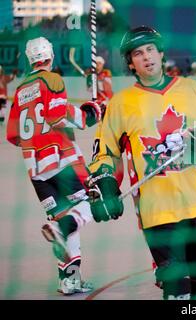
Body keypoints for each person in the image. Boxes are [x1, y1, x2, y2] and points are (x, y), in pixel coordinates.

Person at [88, 26, 196, 300]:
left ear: (161, 53)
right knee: (178, 291)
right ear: (131, 63)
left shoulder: (194, 89)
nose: (147, 57)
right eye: (138, 53)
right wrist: (105, 185)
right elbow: (104, 151)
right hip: (158, 211)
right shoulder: (122, 103)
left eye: (151, 49)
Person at [5, 37, 103, 295]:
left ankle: (68, 281)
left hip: (36, 170)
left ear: (29, 59)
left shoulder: (20, 88)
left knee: (62, 220)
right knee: (92, 205)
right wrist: (88, 115)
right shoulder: (53, 79)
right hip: (61, 160)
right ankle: (60, 228)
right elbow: (57, 115)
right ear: (50, 56)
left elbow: (12, 135)